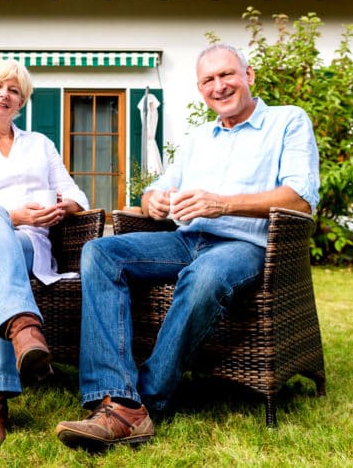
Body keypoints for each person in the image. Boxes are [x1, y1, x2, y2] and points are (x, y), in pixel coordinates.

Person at [55, 43, 320, 449]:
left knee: (207, 274)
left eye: (227, 75)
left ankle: (140, 400)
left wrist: (224, 204)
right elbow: (157, 190)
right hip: (185, 239)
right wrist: (152, 201)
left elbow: (300, 198)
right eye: (208, 80)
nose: (219, 86)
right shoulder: (199, 138)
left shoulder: (287, 121)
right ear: (201, 90)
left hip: (245, 246)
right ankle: (115, 393)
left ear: (248, 76)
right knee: (101, 251)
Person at [0, 59, 90, 450]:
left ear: (21, 102)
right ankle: (24, 326)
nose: (3, 95)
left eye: (13, 90)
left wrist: (63, 209)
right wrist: (15, 215)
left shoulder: (40, 144)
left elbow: (78, 195)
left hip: (29, 246)